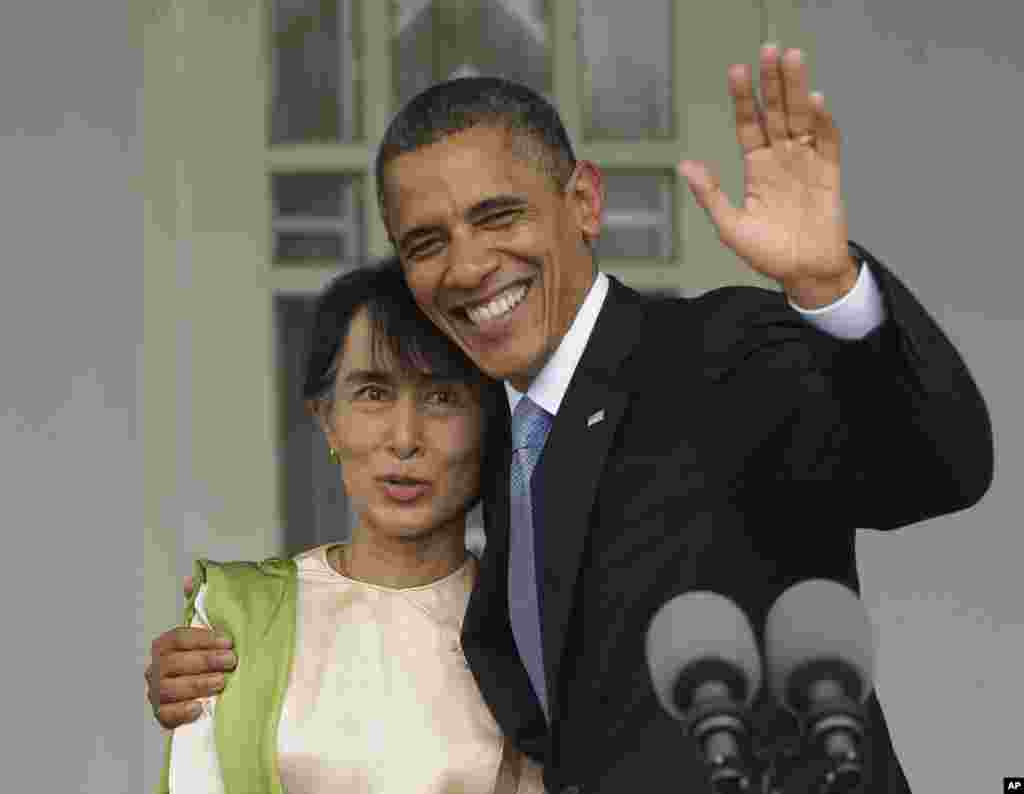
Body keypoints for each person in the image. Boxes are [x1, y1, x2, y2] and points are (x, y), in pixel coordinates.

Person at [147, 46, 993, 792]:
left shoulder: (716, 351)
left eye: (498, 215)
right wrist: (240, 662)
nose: (471, 266)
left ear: (583, 200)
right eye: (426, 242)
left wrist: (829, 287)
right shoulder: (508, 443)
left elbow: (934, 468)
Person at [155, 257, 546, 793]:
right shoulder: (236, 617)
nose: (405, 437)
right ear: (326, 418)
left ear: (489, 422)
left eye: (441, 396)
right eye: (373, 393)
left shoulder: (533, 632)